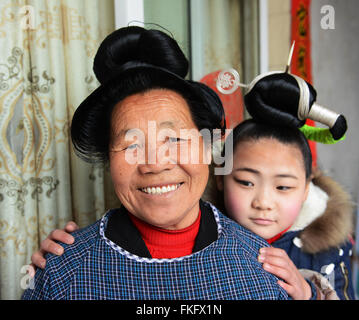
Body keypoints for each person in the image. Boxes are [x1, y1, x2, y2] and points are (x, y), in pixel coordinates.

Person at [22, 26, 291, 300]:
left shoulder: (264, 268)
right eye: (132, 145)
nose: (155, 163)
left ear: (207, 147)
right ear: (108, 161)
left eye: (173, 140)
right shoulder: (62, 274)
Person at [210, 72, 355, 300]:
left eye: (283, 187)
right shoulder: (200, 235)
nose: (263, 203)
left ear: (307, 188)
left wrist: (309, 293)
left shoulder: (329, 248)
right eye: (246, 182)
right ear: (220, 178)